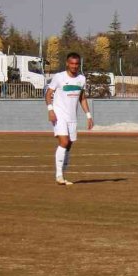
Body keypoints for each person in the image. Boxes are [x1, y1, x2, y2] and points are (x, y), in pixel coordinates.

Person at [45, 52, 93, 185]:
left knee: (69, 145)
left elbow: (82, 98)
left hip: (72, 117)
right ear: (67, 63)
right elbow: (48, 94)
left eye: (76, 64)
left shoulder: (81, 79)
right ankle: (59, 175)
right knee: (64, 142)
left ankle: (63, 175)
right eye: (72, 63)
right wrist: (50, 110)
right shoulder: (59, 77)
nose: (74, 66)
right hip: (59, 115)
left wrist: (88, 116)